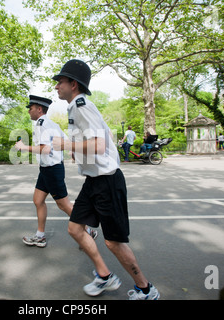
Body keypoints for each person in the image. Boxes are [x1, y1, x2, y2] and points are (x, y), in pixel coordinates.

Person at [52, 59, 159, 300]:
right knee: (75, 228)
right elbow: (102, 137)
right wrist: (76, 150)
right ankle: (105, 275)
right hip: (93, 181)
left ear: (74, 84)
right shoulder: (75, 107)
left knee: (113, 242)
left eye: (60, 81)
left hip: (108, 181)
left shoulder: (82, 106)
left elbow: (99, 145)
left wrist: (66, 144)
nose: (57, 86)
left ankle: (145, 289)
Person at [15, 95, 97, 248]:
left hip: (52, 170)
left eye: (30, 108)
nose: (29, 111)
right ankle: (40, 236)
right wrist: (74, 153)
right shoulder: (52, 124)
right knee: (38, 200)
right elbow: (67, 142)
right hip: (46, 170)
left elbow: (45, 149)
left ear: (39, 109)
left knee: (64, 205)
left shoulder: (41, 124)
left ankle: (88, 230)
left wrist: (23, 147)